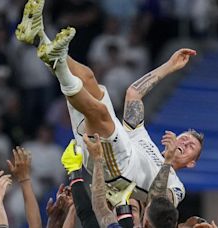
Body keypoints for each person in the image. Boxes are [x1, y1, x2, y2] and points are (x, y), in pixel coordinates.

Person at [15, 0, 203, 206]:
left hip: (117, 169)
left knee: (103, 113)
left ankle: (58, 61)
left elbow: (158, 203)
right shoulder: (143, 139)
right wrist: (169, 66)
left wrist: (167, 161)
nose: (184, 142)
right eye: (185, 138)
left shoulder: (177, 187)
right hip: (106, 144)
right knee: (88, 78)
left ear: (192, 162)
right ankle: (38, 37)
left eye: (191, 145)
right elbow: (134, 93)